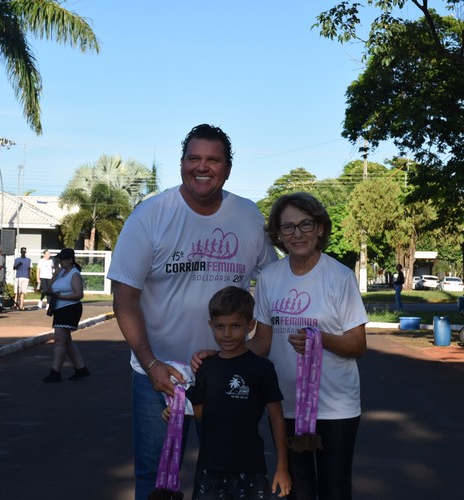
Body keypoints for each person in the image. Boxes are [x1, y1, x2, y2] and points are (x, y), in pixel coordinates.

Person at [107, 123, 277, 499]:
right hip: (160, 372)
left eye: (213, 159)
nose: (202, 167)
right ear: (182, 163)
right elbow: (124, 297)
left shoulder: (248, 217)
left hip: (226, 373)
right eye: (194, 158)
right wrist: (150, 363)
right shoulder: (150, 216)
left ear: (228, 168)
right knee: (156, 478)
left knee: (230, 474)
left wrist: (259, 345)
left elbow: (272, 282)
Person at [250, 192, 368, 500]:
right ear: (277, 234)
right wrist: (221, 357)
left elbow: (358, 344)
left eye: (305, 224)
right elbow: (262, 342)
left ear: (320, 229)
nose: (297, 233)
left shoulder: (340, 277)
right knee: (296, 491)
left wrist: (320, 339)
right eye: (287, 227)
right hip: (285, 404)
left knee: (334, 489)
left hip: (335, 406)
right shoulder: (269, 277)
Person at [163, 286, 290, 499]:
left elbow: (276, 418)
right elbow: (203, 410)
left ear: (250, 325)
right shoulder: (205, 367)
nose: (227, 333)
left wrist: (282, 467)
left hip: (250, 468)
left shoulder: (262, 369)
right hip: (209, 467)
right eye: (220, 326)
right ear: (211, 325)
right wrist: (177, 411)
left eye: (236, 326)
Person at [42, 248, 90, 383]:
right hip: (59, 308)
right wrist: (54, 275)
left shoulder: (74, 274)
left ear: (70, 260)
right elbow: (49, 289)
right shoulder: (61, 272)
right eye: (59, 259)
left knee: (59, 339)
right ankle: (81, 369)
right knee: (66, 341)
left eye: (63, 259)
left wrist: (62, 296)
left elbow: (79, 294)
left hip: (70, 309)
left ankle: (55, 371)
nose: (60, 262)